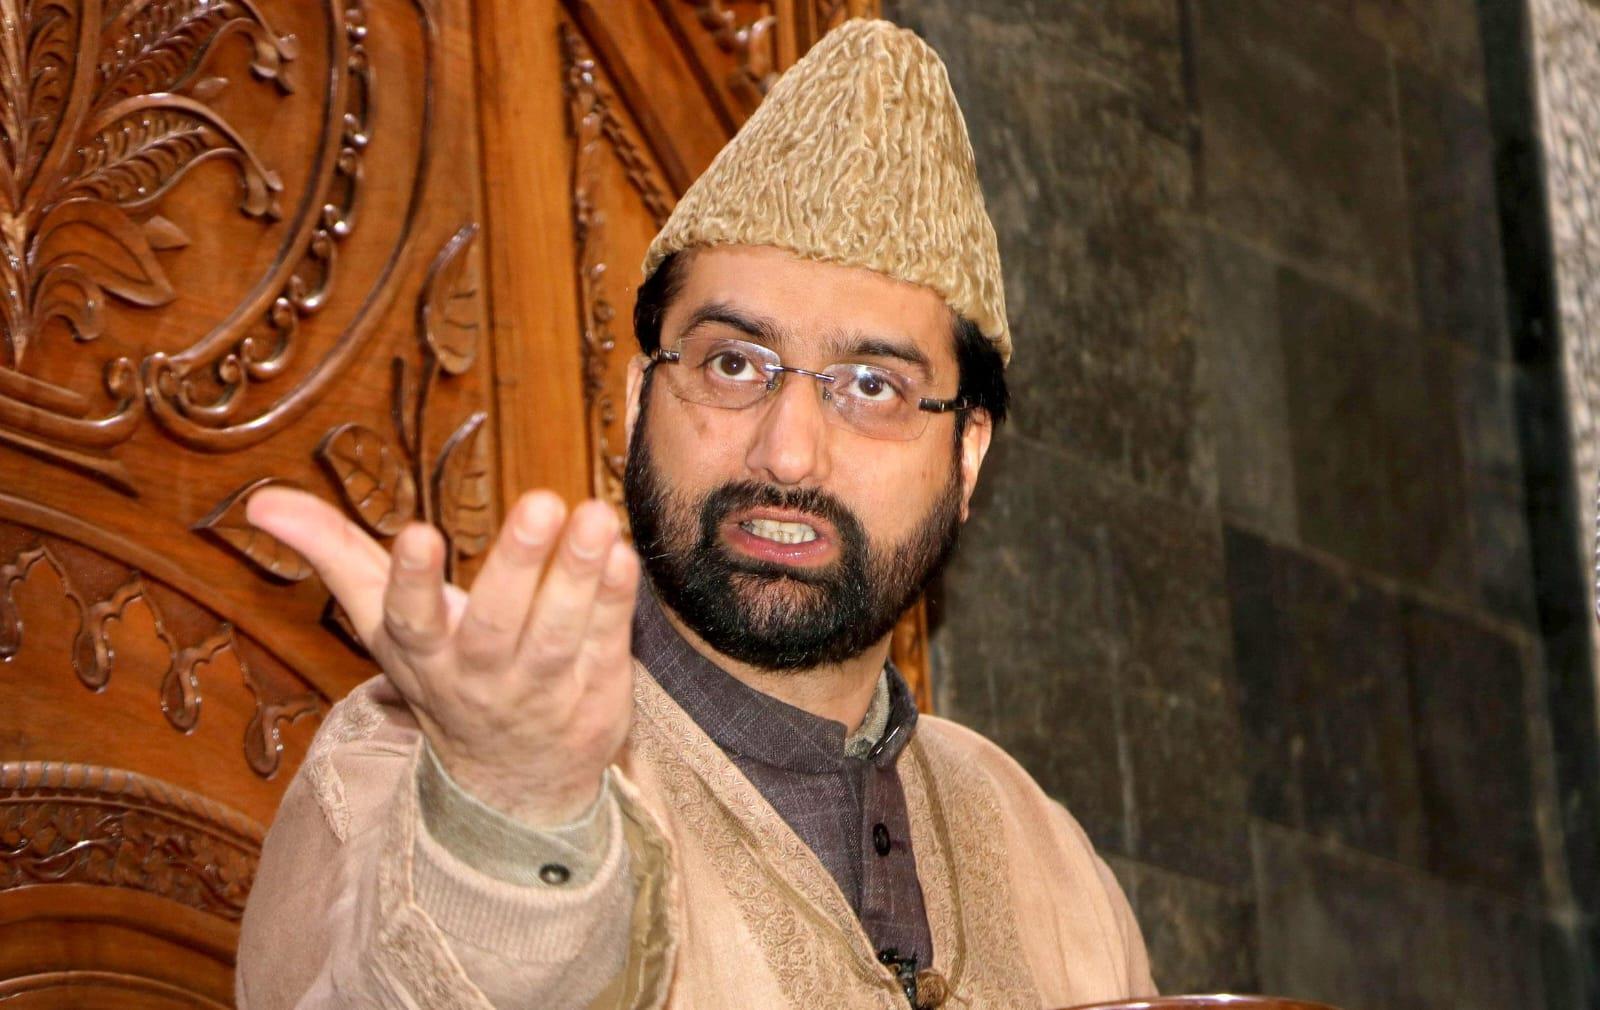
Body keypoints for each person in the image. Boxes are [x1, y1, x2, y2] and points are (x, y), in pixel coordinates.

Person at [237, 18, 1155, 1010]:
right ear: (640, 403)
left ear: (966, 455)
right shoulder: (418, 761)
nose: (787, 451)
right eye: (732, 364)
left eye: (871, 385)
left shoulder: (1050, 855)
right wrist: (507, 828)